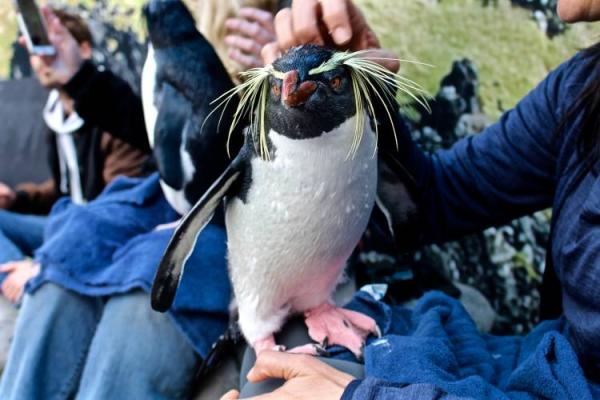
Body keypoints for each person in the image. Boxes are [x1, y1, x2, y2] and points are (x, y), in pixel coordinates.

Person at [220, 0, 600, 398]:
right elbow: (437, 201)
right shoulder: (584, 88)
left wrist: (360, 396)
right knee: (273, 369)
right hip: (543, 363)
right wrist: (361, 98)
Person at [0, 2, 284, 399]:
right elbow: (157, 135)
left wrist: (286, 85)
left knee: (155, 277)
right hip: (160, 204)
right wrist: (76, 77)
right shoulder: (171, 24)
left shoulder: (297, 21)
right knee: (65, 265)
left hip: (246, 211)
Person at [0, 8, 149, 304]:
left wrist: (45, 262)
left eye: (55, 48)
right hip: (70, 222)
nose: (43, 60)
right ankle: (25, 288)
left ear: (83, 48)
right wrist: (17, 198)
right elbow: (67, 189)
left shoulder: (113, 106)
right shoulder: (56, 115)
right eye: (37, 50)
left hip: (106, 235)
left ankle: (37, 288)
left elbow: (118, 212)